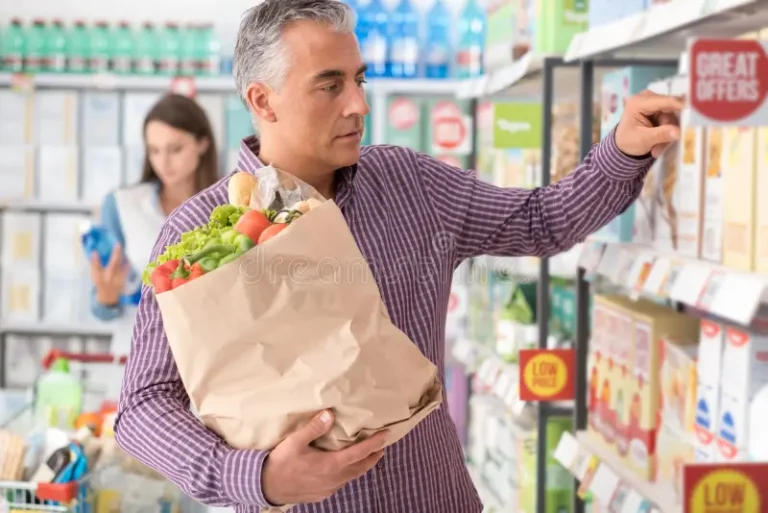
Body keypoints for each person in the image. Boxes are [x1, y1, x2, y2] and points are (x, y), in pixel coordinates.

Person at [114, 1, 682, 512]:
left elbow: (540, 220)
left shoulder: (410, 184)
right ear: (262, 100)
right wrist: (256, 477)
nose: (358, 104)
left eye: (358, 80)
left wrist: (622, 150)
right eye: (329, 85)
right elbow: (143, 405)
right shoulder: (196, 233)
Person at [89, 93, 219, 335]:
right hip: (138, 344)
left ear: (203, 143)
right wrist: (107, 298)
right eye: (154, 151)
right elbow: (99, 308)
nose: (164, 163)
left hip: (207, 343)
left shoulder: (227, 205)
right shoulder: (121, 205)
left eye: (175, 149)